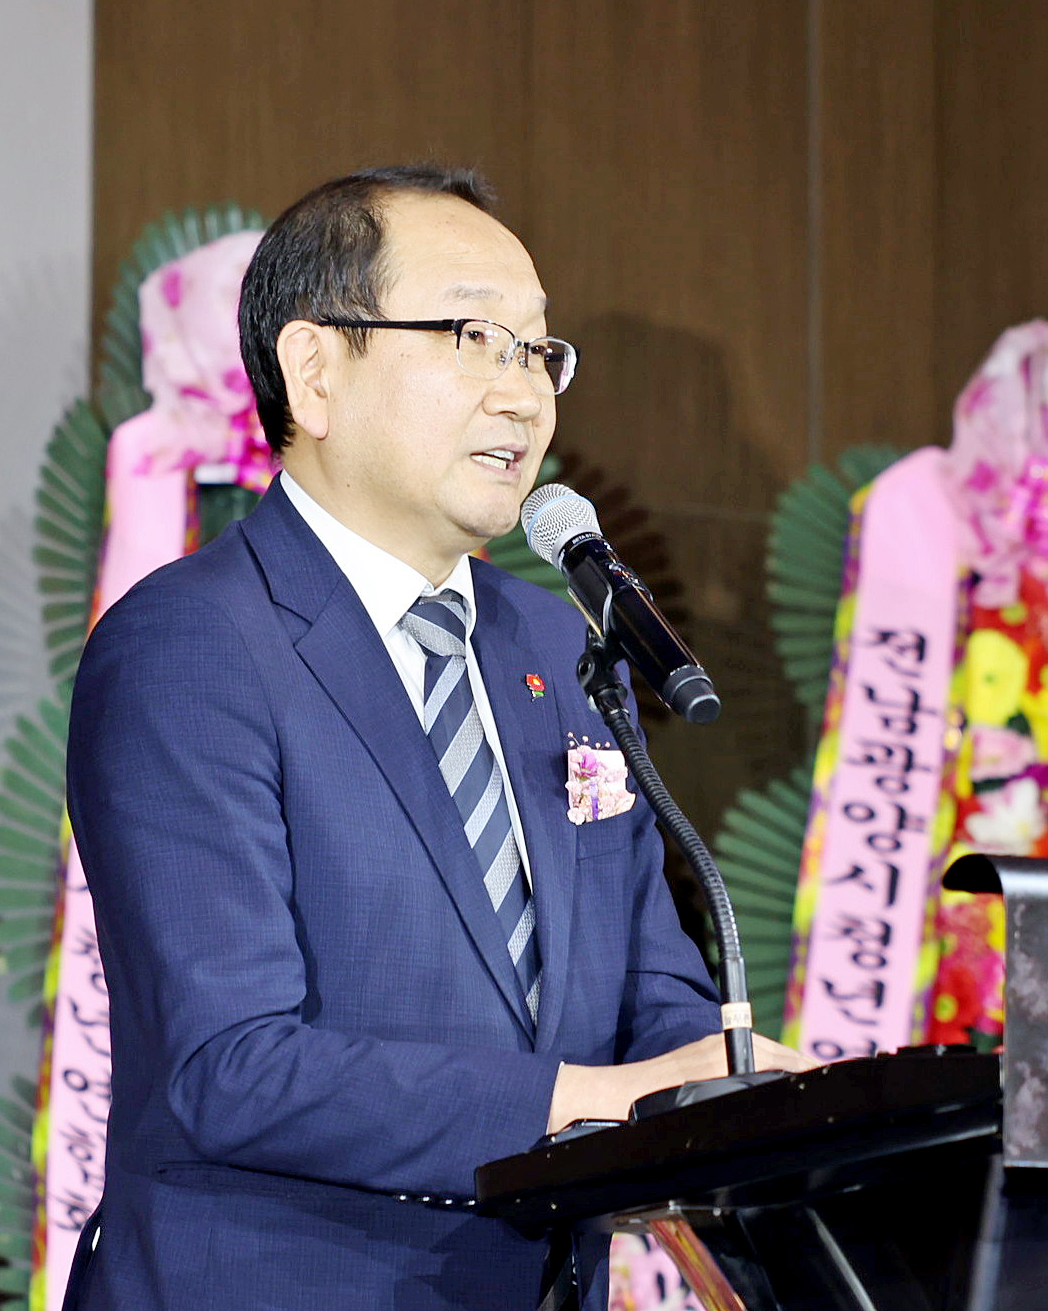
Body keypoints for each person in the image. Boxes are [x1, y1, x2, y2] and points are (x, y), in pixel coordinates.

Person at [65, 165, 810, 1310]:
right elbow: (232, 1067)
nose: (523, 395)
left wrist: (750, 1094)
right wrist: (593, 1101)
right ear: (314, 371)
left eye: (539, 352)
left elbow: (649, 1002)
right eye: (475, 336)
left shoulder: (552, 648)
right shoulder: (192, 644)